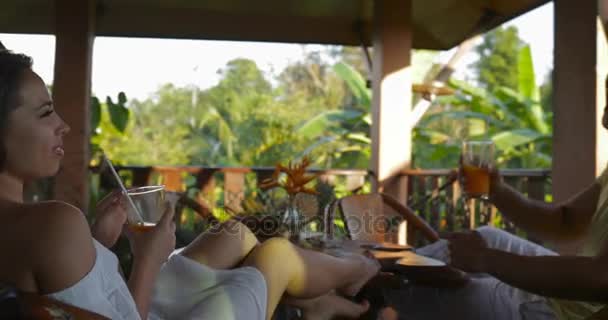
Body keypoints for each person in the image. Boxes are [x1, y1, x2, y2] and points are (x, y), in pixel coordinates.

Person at [0, 48, 381, 320]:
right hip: (143, 309)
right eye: (46, 112)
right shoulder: (54, 223)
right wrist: (148, 256)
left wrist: (98, 243)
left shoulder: (37, 227)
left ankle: (314, 302)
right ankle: (356, 271)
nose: (62, 126)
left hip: (139, 305)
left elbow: (70, 298)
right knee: (276, 255)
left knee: (232, 235)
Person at [384, 88, 608, 320]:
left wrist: (484, 258)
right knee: (489, 236)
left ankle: (368, 285)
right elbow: (564, 221)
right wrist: (497, 191)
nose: (604, 121)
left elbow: (601, 279)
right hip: (576, 297)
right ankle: (376, 270)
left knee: (443, 293)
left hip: (579, 312)